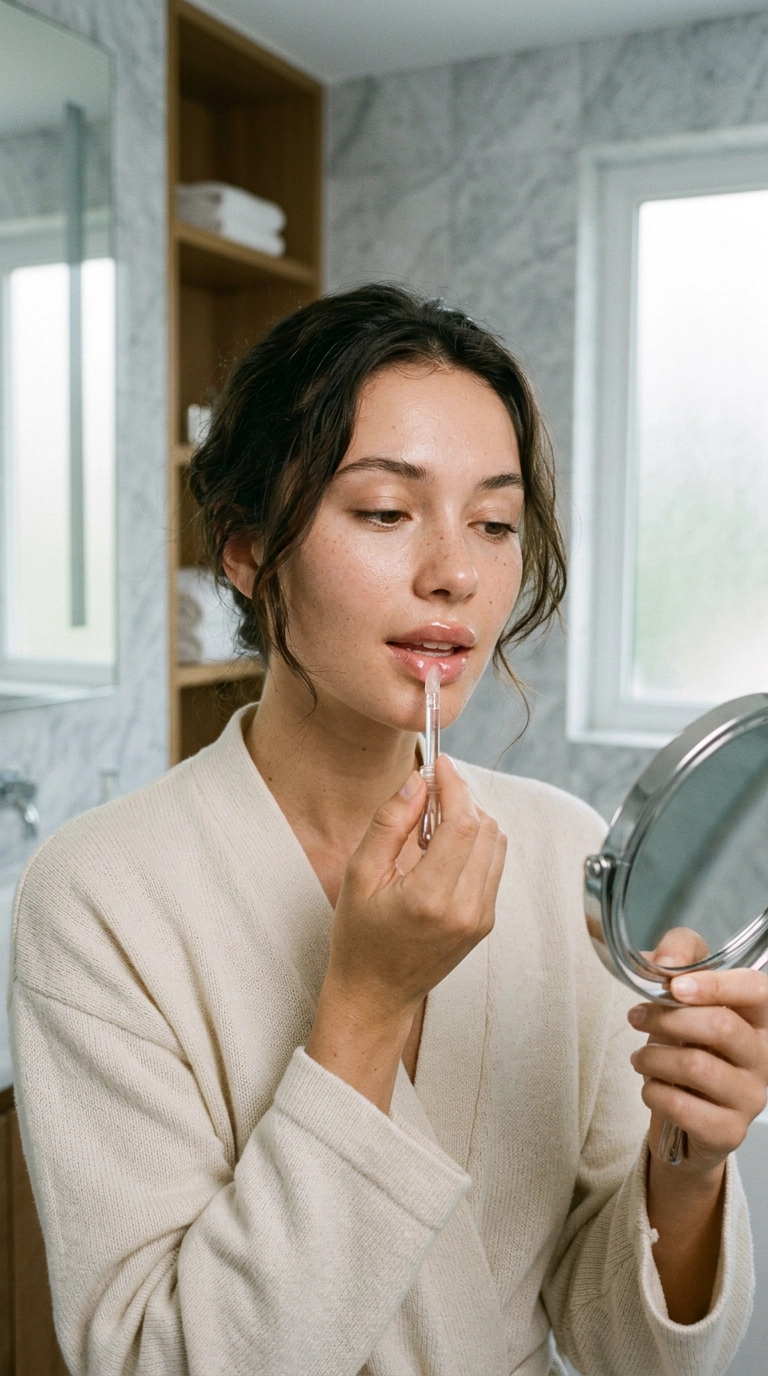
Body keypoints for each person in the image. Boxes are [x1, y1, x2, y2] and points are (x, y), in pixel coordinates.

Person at [9, 285, 767, 1376]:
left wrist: (688, 1160)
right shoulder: (97, 894)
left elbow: (630, 1349)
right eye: (384, 510)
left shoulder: (563, 853)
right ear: (244, 547)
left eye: (496, 523)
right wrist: (365, 1002)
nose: (455, 571)